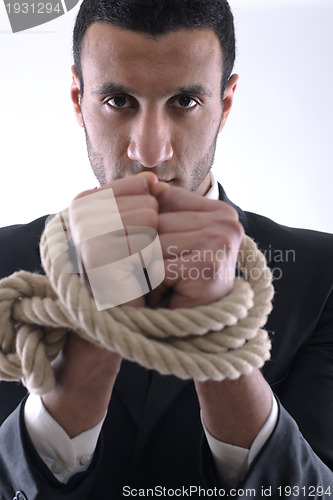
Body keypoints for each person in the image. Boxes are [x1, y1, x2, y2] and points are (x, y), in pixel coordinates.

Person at [0, 0, 332, 498]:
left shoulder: (323, 277)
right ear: (77, 98)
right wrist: (74, 382)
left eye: (185, 102)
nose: (151, 152)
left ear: (227, 103)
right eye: (118, 101)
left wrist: (220, 347)